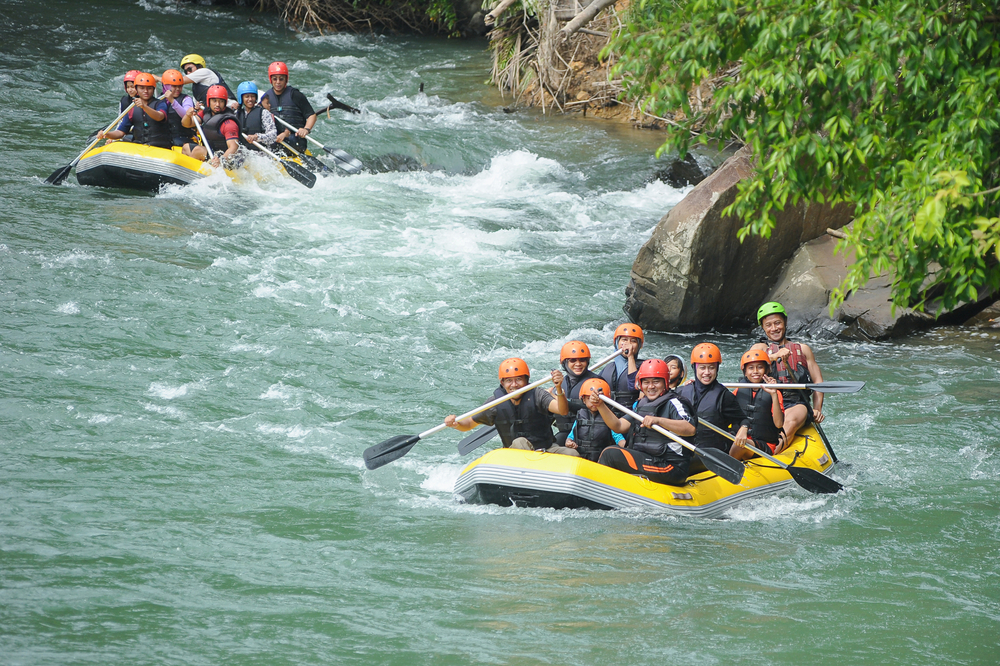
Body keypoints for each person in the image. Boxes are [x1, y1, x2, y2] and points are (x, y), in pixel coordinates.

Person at [595, 359, 697, 486]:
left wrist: (658, 421)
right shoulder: (642, 404)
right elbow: (618, 426)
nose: (651, 387)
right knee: (613, 450)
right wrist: (601, 406)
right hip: (649, 458)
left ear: (665, 382)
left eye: (656, 382)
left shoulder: (675, 402)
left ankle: (601, 495)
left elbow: (690, 428)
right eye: (646, 382)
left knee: (610, 454)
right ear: (640, 384)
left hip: (671, 466)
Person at [444, 358, 573, 454]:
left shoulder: (538, 395)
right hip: (514, 455)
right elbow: (469, 424)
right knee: (520, 442)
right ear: (502, 383)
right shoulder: (495, 403)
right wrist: (456, 424)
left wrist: (558, 388)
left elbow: (562, 410)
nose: (514, 385)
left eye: (519, 379)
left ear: (526, 380)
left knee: (572, 454)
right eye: (509, 381)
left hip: (547, 449)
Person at [750, 302, 825, 443]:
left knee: (788, 423)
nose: (774, 328)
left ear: (785, 322)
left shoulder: (803, 349)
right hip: (767, 400)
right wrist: (774, 356)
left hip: (794, 402)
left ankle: (771, 452)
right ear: (763, 328)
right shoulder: (759, 348)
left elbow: (818, 382)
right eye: (768, 325)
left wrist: (817, 409)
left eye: (777, 323)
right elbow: (750, 368)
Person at [676, 343, 750, 453]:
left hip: (711, 453)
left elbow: (743, 420)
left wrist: (744, 428)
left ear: (717, 369)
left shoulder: (724, 396)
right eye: (702, 368)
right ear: (694, 368)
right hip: (683, 450)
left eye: (711, 368)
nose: (707, 372)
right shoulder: (682, 391)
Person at [729, 349, 785, 460]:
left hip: (764, 444)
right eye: (751, 368)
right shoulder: (738, 391)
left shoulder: (775, 393)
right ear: (745, 371)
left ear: (766, 370)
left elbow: (779, 424)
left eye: (760, 367)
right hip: (738, 436)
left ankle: (725, 470)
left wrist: (773, 394)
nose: (755, 371)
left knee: (740, 444)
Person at [98, 72, 170, 148]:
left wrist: (144, 107)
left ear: (153, 89)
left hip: (159, 147)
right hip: (139, 147)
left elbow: (160, 116)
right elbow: (121, 132)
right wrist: (107, 134)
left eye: (149, 88)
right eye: (142, 88)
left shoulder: (161, 103)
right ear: (137, 89)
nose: (145, 91)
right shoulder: (132, 108)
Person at [563, 378, 626, 462]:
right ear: (584, 400)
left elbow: (618, 436)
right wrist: (569, 442)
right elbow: (571, 435)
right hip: (581, 454)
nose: (594, 402)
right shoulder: (580, 415)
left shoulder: (609, 417)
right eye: (589, 398)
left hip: (601, 457)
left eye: (598, 399)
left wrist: (625, 446)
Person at [552, 341, 600, 446]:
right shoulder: (561, 383)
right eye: (573, 360)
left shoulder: (595, 382)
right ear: (564, 363)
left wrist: (563, 400)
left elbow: (594, 409)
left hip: (586, 434)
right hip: (564, 432)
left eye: (582, 360)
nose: (578, 364)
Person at [262, 61, 317, 153]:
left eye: (281, 79)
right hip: (275, 139)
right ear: (271, 79)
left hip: (295, 139)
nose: (278, 82)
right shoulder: (266, 98)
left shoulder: (296, 95)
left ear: (286, 79)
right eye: (275, 79)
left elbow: (312, 115)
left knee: (292, 139)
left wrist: (306, 129)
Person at [181, 85, 239, 168]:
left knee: (197, 151)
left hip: (224, 157)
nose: (217, 104)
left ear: (225, 103)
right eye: (214, 101)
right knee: (186, 148)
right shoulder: (205, 113)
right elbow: (186, 124)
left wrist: (221, 160)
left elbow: (233, 147)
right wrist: (187, 115)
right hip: (211, 151)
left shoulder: (229, 122)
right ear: (209, 101)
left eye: (221, 101)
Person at [600, 323, 644, 409]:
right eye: (624, 340)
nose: (628, 344)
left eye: (633, 341)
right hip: (608, 413)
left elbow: (633, 386)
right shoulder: (609, 367)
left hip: (630, 413)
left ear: (640, 345)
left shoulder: (644, 367)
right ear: (616, 343)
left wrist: (630, 357)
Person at [160, 69, 197, 148]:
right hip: (165, 137)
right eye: (174, 86)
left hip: (183, 137)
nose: (177, 89)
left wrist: (173, 101)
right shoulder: (159, 99)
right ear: (166, 86)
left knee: (177, 141)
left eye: (180, 86)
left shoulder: (186, 99)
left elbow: (186, 115)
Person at [235, 81, 277, 149]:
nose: (250, 99)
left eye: (253, 96)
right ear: (241, 98)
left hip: (260, 153)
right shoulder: (236, 114)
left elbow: (273, 135)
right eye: (247, 97)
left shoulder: (263, 113)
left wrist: (257, 137)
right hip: (242, 152)